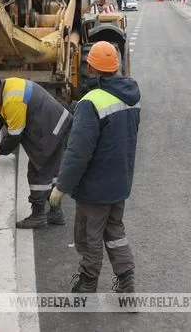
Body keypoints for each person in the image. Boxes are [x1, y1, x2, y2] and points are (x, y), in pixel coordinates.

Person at [50, 41, 141, 293]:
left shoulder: (91, 102)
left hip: (94, 186)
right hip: (120, 182)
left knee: (89, 234)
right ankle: (126, 279)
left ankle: (88, 281)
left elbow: (78, 151)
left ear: (91, 69)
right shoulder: (131, 97)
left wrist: (62, 186)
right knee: (115, 231)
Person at [0, 72, 72, 229]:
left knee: (39, 171)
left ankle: (38, 216)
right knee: (51, 172)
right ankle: (56, 213)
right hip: (57, 123)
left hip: (51, 129)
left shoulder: (12, 99)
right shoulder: (5, 89)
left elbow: (14, 136)